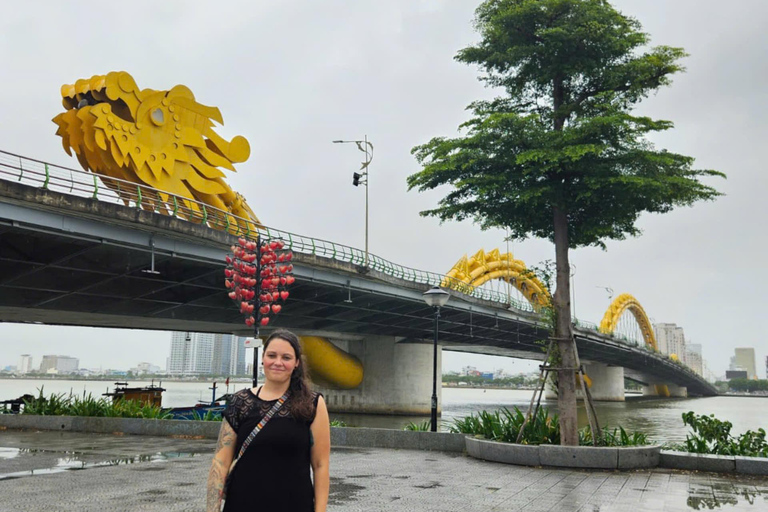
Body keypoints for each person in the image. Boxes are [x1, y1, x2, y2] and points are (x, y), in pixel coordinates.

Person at [206, 329, 330, 512]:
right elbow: (220, 462)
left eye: (286, 357)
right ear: (263, 358)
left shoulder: (312, 404)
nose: (278, 362)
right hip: (242, 504)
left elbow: (320, 465)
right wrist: (212, 509)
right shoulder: (240, 402)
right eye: (272, 355)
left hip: (294, 504)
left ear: (296, 363)